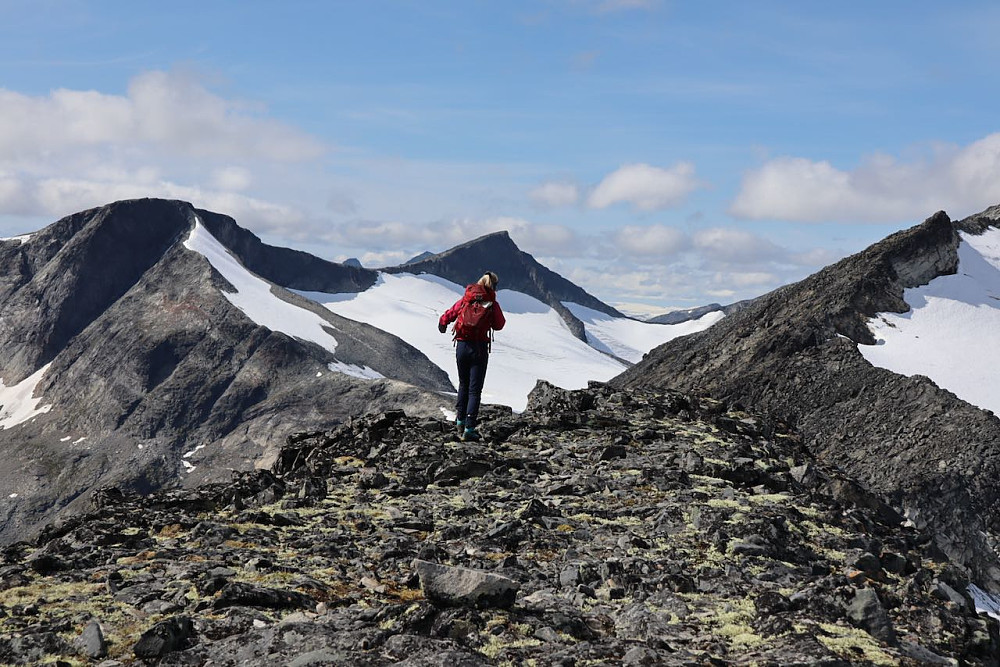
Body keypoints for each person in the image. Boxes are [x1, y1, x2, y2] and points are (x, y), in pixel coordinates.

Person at [438, 271, 506, 441]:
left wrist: (443, 323)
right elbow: (499, 325)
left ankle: (460, 421)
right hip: (480, 348)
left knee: (463, 384)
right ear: (494, 286)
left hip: (462, 345)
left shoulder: (467, 298)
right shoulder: (491, 303)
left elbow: (450, 314)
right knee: (475, 390)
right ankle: (469, 428)